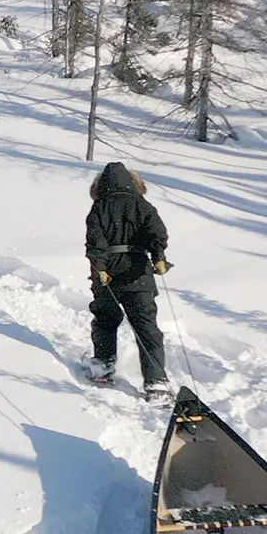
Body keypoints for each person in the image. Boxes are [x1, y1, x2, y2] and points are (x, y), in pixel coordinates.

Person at [84, 161, 171, 396]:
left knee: (105, 320)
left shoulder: (99, 208)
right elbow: (157, 233)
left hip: (107, 274)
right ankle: (156, 382)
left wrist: (100, 267)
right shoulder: (143, 205)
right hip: (138, 272)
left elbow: (95, 240)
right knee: (146, 326)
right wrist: (159, 256)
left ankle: (103, 367)